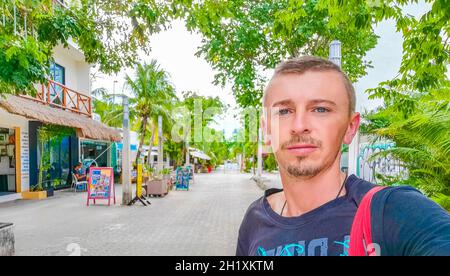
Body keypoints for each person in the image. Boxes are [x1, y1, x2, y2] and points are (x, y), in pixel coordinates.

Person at [236, 56, 450, 256]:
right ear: (266, 130)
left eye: (320, 109)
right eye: (283, 111)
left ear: (350, 127)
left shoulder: (391, 212)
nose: (299, 126)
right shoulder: (255, 220)